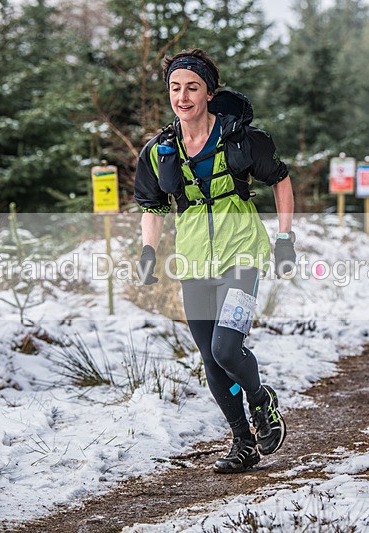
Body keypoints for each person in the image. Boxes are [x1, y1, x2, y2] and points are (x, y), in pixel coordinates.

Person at [133, 48, 296, 474]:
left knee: (227, 348)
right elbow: (152, 207)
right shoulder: (158, 151)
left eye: (192, 87)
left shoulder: (239, 137)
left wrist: (285, 239)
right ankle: (243, 441)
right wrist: (148, 252)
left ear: (208, 92)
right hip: (193, 262)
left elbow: (280, 180)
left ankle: (262, 401)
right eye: (175, 88)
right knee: (210, 357)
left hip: (241, 253)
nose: (182, 96)